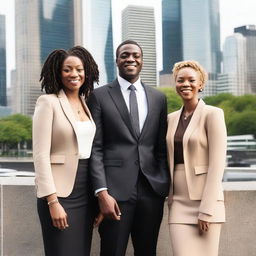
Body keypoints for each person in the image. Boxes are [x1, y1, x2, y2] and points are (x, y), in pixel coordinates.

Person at [87, 40, 170, 255]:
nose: (130, 59)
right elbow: (95, 148)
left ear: (142, 61)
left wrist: (162, 182)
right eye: (124, 55)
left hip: (151, 192)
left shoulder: (159, 98)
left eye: (135, 55)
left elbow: (160, 147)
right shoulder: (99, 96)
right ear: (116, 61)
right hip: (114, 194)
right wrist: (102, 193)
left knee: (147, 251)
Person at [33, 46, 99, 256]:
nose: (74, 74)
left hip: (86, 192)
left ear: (86, 71)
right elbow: (41, 155)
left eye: (79, 69)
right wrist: (53, 201)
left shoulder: (85, 102)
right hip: (60, 194)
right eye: (67, 69)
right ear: (58, 73)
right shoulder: (48, 102)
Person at [166, 60, 226, 256]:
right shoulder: (171, 118)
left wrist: (206, 210)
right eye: (180, 80)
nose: (186, 84)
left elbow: (217, 165)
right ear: (175, 84)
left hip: (206, 202)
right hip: (178, 203)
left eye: (191, 80)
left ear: (201, 84)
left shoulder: (213, 114)